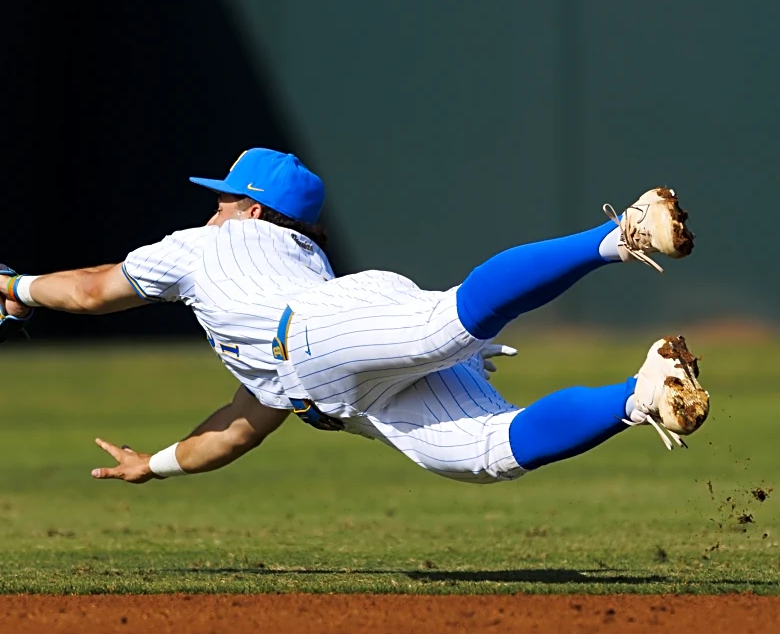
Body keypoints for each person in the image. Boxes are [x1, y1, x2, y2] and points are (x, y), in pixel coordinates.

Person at [1, 148, 709, 485]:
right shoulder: (282, 271)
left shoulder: (202, 244)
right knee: (482, 456)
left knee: (445, 325)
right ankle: (640, 394)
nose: (211, 204)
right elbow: (241, 425)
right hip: (337, 377)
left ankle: (622, 234)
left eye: (224, 195)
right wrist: (150, 465)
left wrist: (21, 288)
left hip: (318, 335)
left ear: (250, 208)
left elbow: (93, 290)